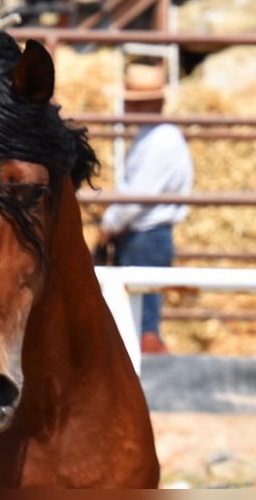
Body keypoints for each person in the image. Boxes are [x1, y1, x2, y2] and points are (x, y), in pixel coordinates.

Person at [97, 63, 194, 354]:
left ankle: (148, 386)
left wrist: (109, 226)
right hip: (146, 233)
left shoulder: (158, 140)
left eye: (133, 101)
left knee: (141, 323)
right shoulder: (155, 136)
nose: (126, 105)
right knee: (139, 316)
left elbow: (137, 197)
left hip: (144, 234)